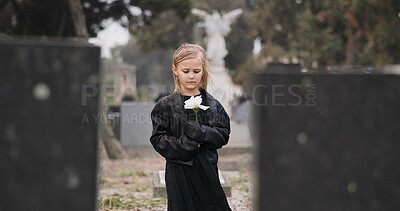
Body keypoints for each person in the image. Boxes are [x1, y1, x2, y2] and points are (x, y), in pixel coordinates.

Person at [150, 43, 231, 211]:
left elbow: (223, 134)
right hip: (179, 171)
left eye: (196, 71)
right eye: (185, 71)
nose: (191, 76)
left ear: (203, 71)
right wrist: (189, 144)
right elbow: (159, 139)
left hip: (206, 169)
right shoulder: (165, 106)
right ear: (175, 70)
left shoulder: (213, 105)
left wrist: (202, 133)